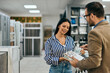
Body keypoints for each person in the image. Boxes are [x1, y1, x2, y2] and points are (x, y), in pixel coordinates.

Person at [69, 2, 110, 73]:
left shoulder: (94, 33)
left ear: (92, 16)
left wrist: (77, 64)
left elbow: (94, 61)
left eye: (85, 16)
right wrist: (91, 47)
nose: (86, 19)